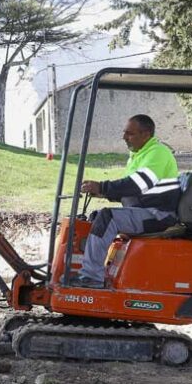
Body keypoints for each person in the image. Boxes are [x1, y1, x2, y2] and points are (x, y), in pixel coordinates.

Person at [68, 114, 180, 289]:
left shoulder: (158, 153)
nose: (124, 137)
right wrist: (103, 193)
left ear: (146, 134)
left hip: (158, 214)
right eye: (124, 133)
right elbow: (129, 192)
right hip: (144, 211)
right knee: (96, 216)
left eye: (130, 133)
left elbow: (138, 184)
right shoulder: (138, 155)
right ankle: (86, 270)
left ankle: (91, 277)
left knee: (107, 217)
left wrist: (103, 187)